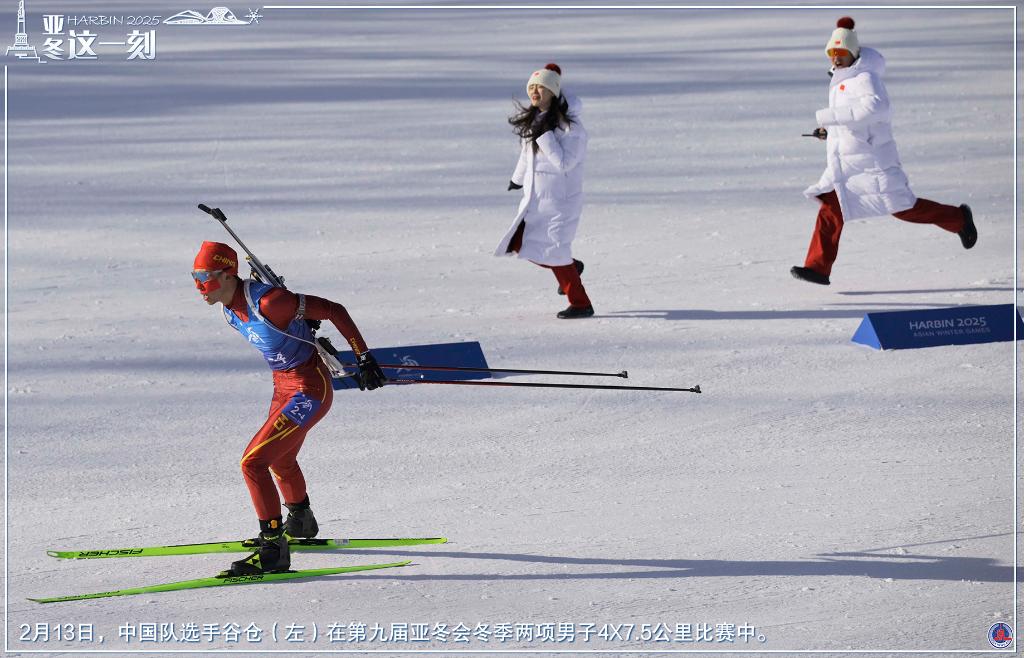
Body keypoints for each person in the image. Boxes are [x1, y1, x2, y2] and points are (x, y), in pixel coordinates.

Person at [191, 241, 386, 576]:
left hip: (309, 389)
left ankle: (273, 548)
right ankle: (300, 520)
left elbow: (334, 310)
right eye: (194, 277)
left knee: (253, 462)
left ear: (227, 275)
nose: (199, 286)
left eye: (205, 277)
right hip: (282, 387)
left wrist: (364, 357)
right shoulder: (228, 310)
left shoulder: (270, 302)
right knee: (280, 458)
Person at [791, 17, 977, 286]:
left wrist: (830, 117)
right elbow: (855, 122)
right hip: (849, 163)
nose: (835, 58)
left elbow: (877, 109)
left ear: (853, 52)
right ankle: (817, 268)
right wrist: (829, 131)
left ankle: (958, 219)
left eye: (841, 52)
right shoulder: (843, 80)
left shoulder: (865, 77)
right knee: (832, 207)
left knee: (903, 208)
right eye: (831, 53)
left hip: (873, 162)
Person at [495, 63, 594, 318]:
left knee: (554, 252)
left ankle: (581, 304)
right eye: (531, 87)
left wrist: (546, 136)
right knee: (522, 245)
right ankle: (573, 267)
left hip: (560, 200)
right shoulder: (536, 121)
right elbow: (527, 156)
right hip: (536, 199)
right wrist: (517, 179)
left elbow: (565, 163)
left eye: (541, 87)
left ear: (553, 92)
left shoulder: (571, 128)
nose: (534, 91)